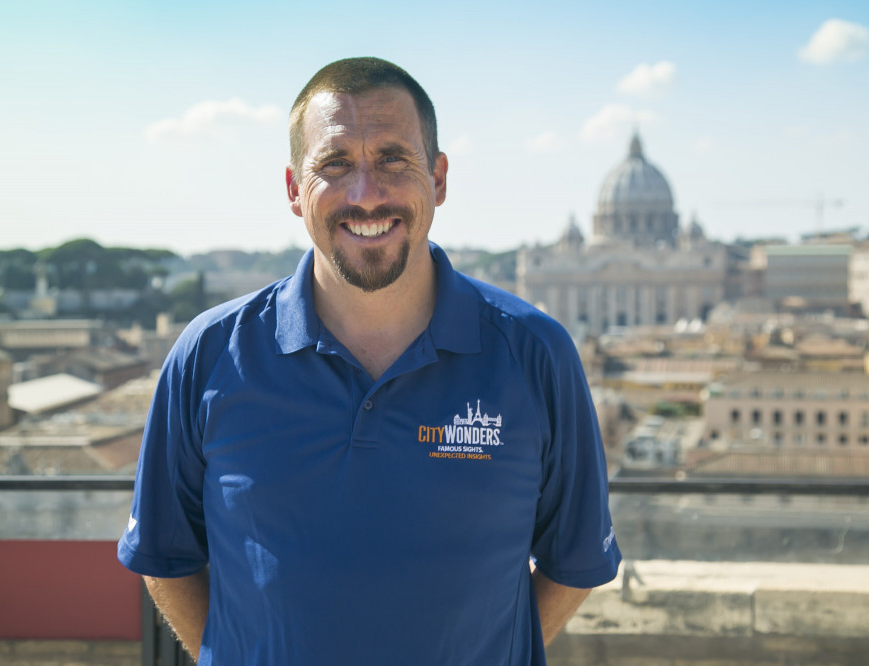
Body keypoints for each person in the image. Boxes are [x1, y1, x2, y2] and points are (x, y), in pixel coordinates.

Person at [118, 56, 620, 666]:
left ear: (437, 178)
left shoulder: (537, 354)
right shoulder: (206, 354)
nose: (366, 194)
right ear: (294, 190)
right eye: (334, 164)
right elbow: (165, 559)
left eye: (392, 159)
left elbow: (575, 562)